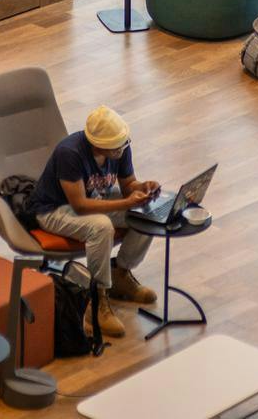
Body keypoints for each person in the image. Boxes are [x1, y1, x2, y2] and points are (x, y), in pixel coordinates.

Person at [29, 105, 160, 338]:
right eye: (117, 144)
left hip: (95, 199)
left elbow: (128, 185)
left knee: (146, 211)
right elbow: (79, 205)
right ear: (98, 145)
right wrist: (124, 204)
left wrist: (143, 189)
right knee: (100, 227)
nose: (124, 146)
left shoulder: (121, 147)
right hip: (53, 209)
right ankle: (97, 299)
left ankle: (121, 273)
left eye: (124, 141)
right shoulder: (69, 153)